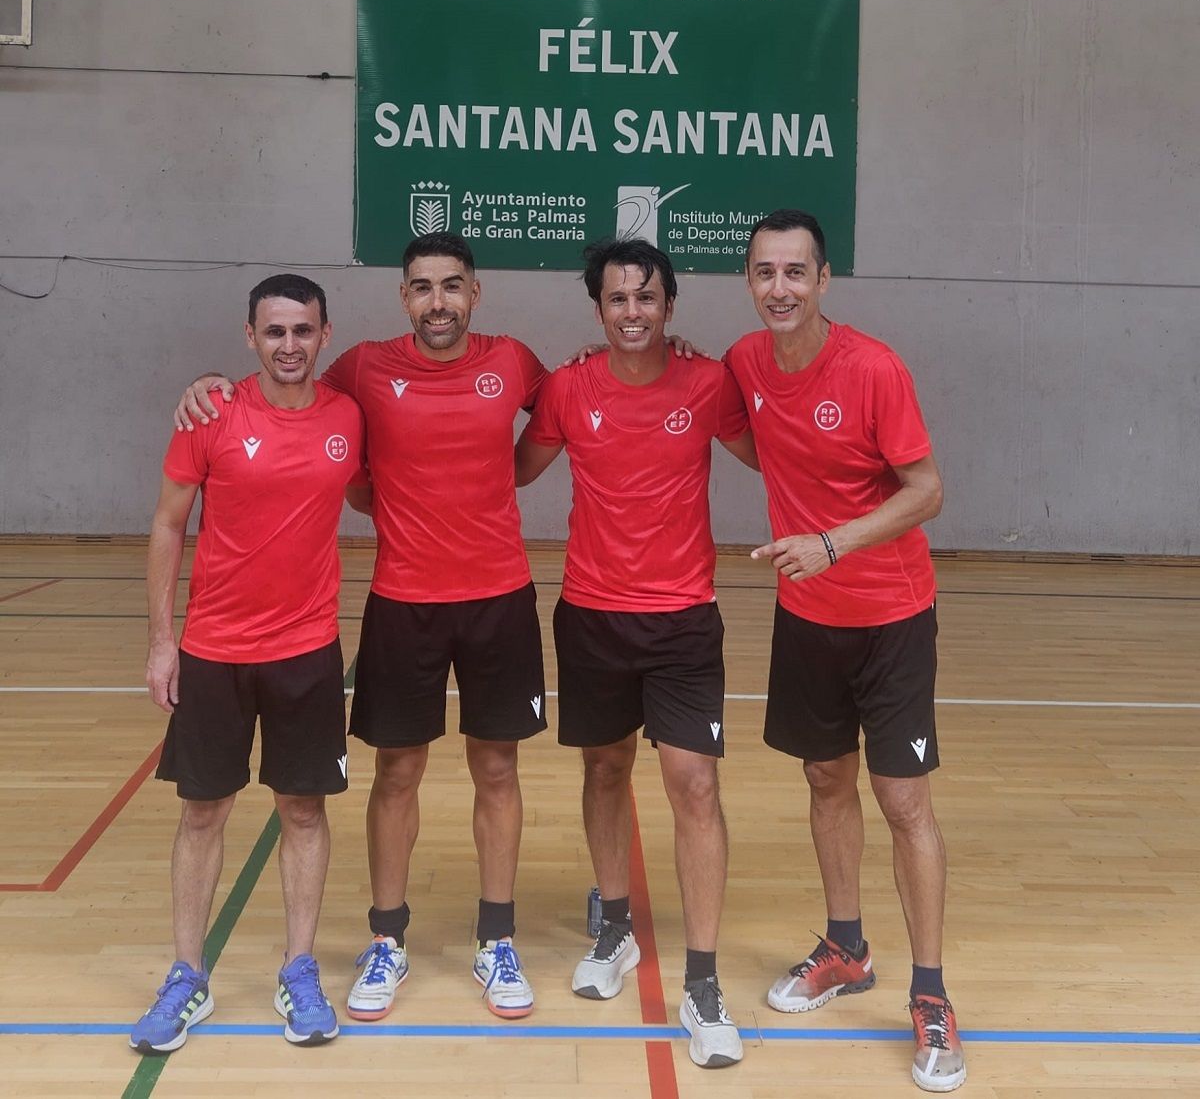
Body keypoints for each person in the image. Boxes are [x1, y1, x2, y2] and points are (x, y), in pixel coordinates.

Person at [172, 234, 548, 1021]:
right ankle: (387, 938)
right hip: (403, 600)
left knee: (499, 770)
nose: (437, 301)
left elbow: (564, 414)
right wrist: (207, 386)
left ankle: (497, 937)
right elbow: (291, 400)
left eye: (452, 286)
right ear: (402, 297)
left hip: (500, 596)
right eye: (421, 287)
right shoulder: (362, 369)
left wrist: (492, 482)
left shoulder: (514, 361)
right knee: (398, 772)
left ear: (475, 294)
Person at [723, 210, 964, 1092]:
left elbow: (929, 491)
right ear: (749, 282)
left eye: (795, 273)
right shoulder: (747, 363)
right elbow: (759, 442)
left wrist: (831, 540)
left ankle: (930, 994)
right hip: (807, 620)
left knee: (903, 802)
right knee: (825, 781)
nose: (779, 288)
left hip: (893, 616)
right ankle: (846, 948)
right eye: (763, 273)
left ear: (824, 281)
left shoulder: (872, 368)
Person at [514, 238, 757, 1069]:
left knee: (694, 783)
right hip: (591, 617)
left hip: (684, 620)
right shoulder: (566, 389)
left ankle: (702, 981)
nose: (632, 313)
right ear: (598, 310)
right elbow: (506, 470)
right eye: (617, 300)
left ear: (670, 306)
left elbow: (778, 451)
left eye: (646, 299)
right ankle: (615, 928)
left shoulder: (710, 383)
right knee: (604, 771)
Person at [131, 274, 367, 1054]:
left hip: (306, 652)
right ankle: (187, 974)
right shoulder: (213, 413)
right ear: (250, 337)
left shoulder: (347, 416)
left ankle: (298, 969)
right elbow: (168, 525)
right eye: (275, 333)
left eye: (303, 331)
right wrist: (163, 641)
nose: (289, 346)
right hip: (214, 653)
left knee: (303, 811)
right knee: (203, 812)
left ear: (324, 336)